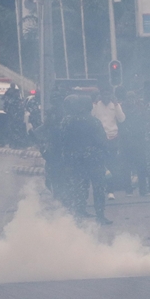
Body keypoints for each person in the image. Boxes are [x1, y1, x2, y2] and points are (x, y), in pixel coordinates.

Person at [56, 94, 111, 224]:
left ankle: (79, 214)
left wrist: (66, 161)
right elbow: (102, 142)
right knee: (98, 189)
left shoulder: (67, 121)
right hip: (95, 160)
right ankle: (100, 215)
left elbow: (63, 142)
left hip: (76, 160)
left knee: (79, 187)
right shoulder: (95, 121)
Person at [91, 86, 125, 199]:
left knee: (112, 164)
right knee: (101, 165)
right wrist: (95, 104)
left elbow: (122, 119)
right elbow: (91, 117)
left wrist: (116, 105)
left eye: (108, 94)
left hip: (113, 138)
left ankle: (111, 190)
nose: (106, 97)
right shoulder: (96, 105)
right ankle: (101, 188)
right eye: (104, 94)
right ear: (101, 95)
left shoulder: (115, 105)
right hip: (100, 139)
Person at [3, 84, 26, 148]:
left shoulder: (16, 96)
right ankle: (14, 144)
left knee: (16, 130)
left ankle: (17, 144)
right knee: (13, 130)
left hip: (16, 116)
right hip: (13, 116)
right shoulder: (9, 95)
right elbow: (5, 103)